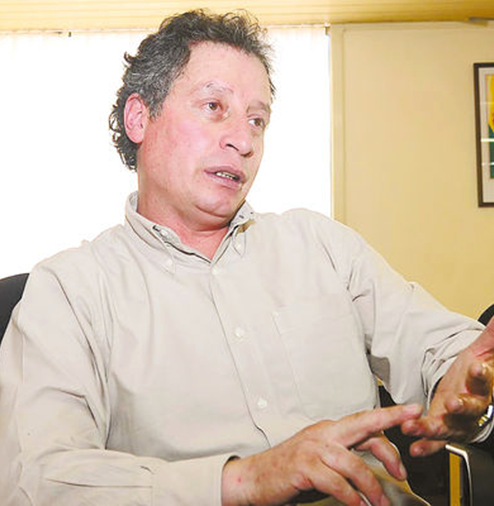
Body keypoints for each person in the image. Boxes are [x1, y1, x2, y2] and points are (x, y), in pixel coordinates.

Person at [0, 9, 493, 506]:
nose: (243, 141)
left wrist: (471, 384)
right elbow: (35, 479)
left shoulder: (321, 244)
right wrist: (242, 481)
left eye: (257, 120)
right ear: (139, 118)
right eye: (214, 106)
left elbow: (446, 351)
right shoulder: (68, 290)